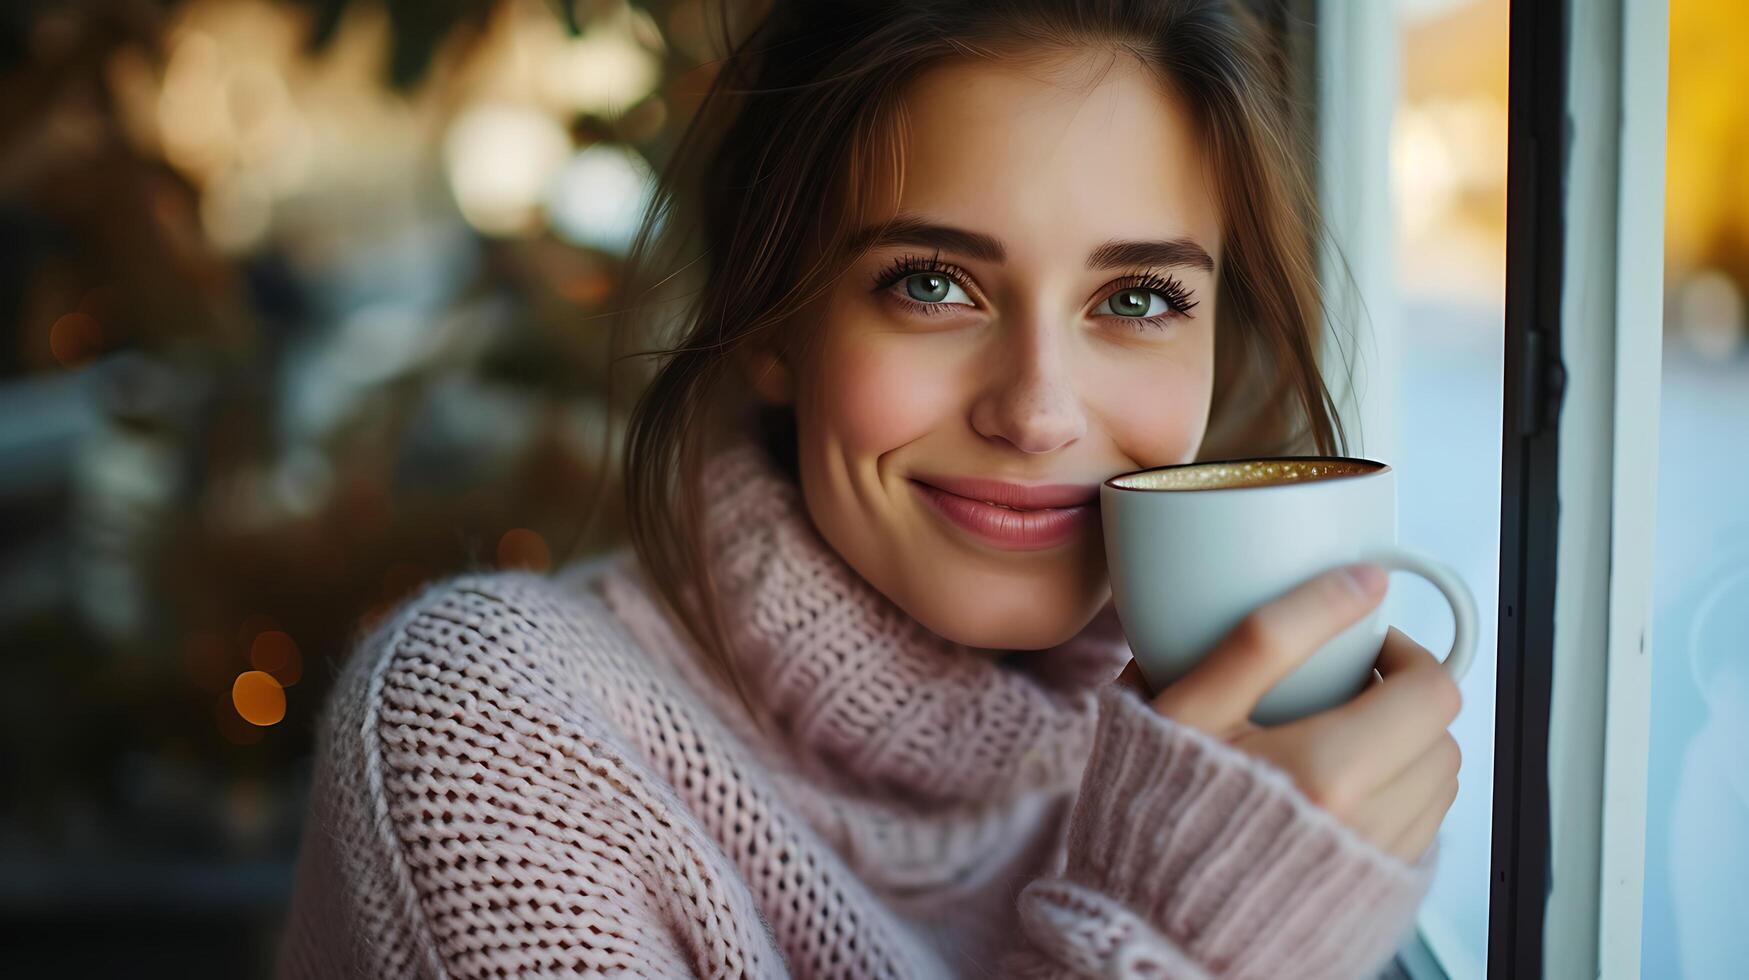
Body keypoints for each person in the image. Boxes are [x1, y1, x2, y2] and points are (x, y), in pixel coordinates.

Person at [275, 0, 1464, 976]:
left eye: (1139, 299)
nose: (1039, 410)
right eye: (934, 284)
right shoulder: (493, 725)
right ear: (773, 327)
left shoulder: (1238, 756)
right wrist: (1177, 939)